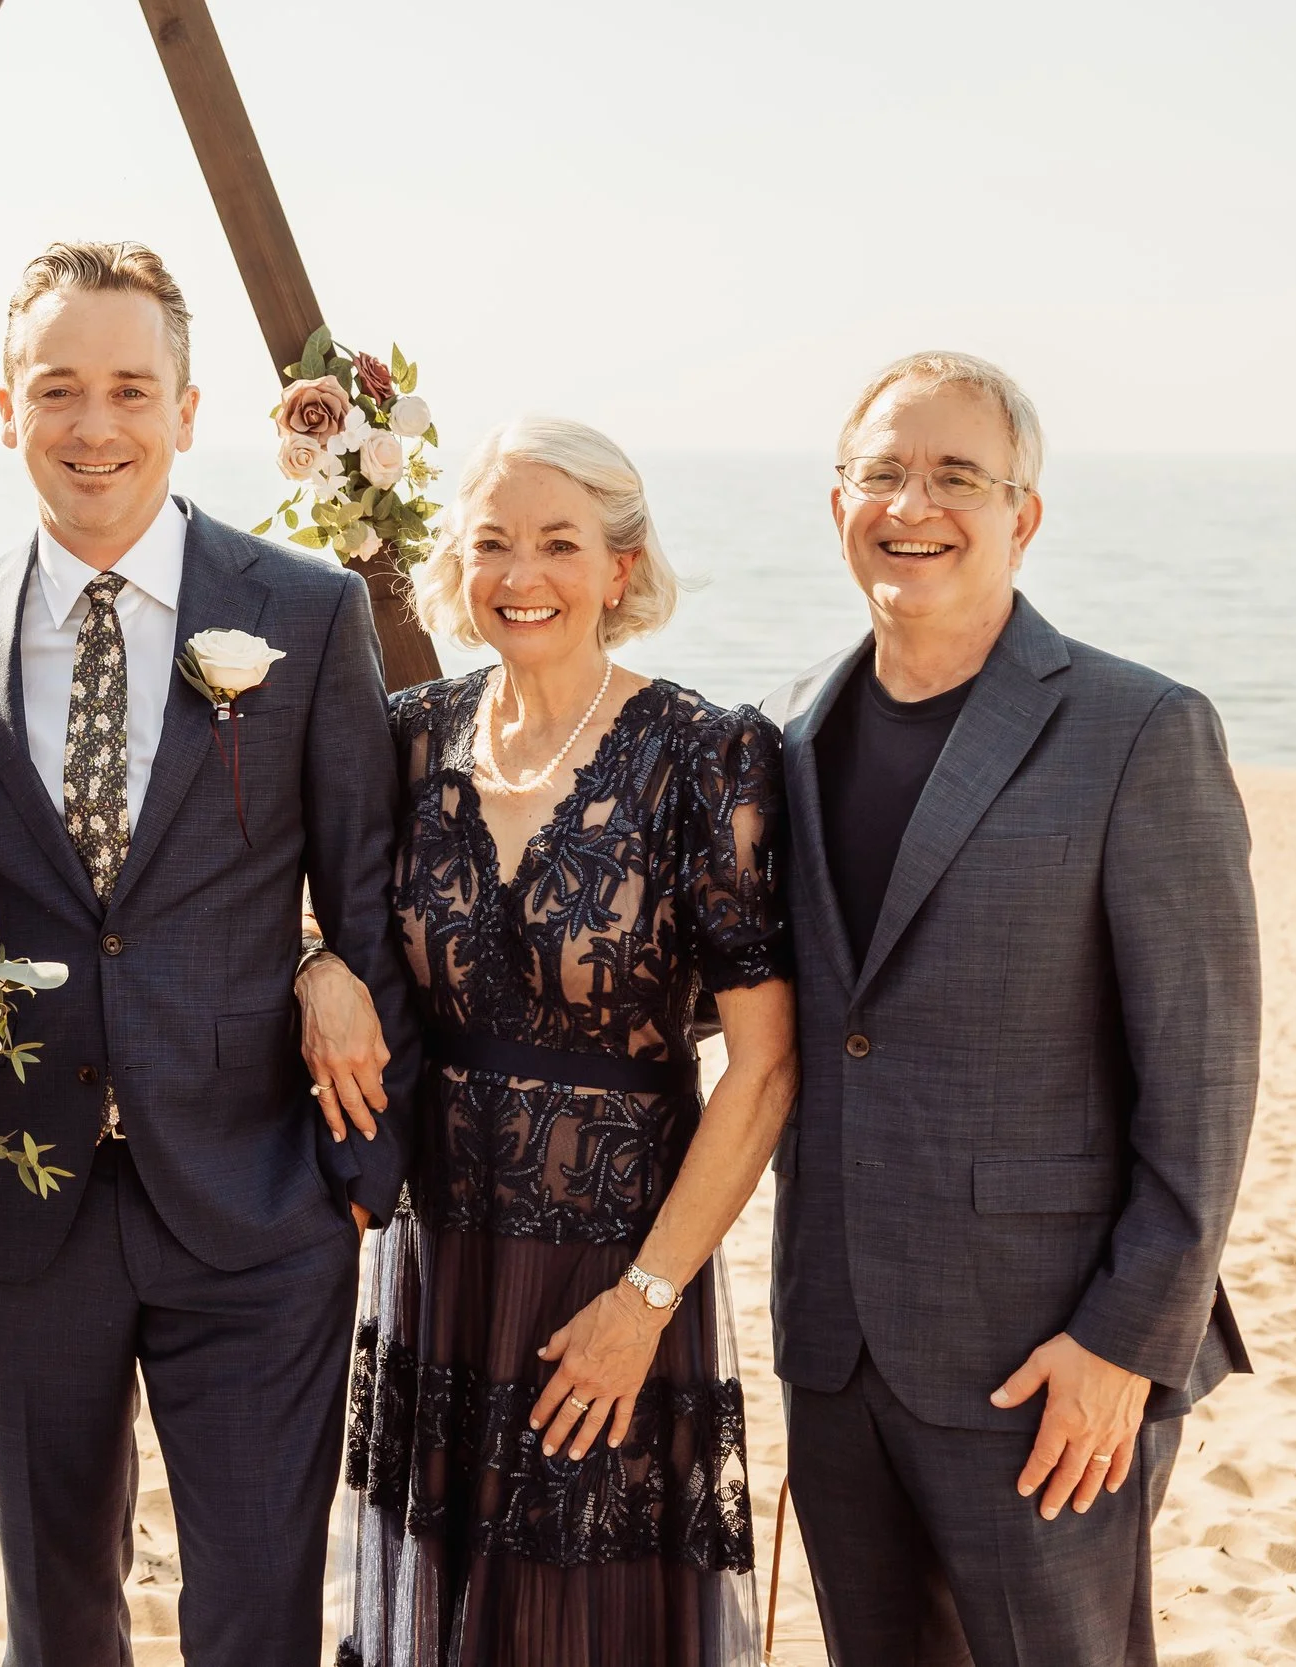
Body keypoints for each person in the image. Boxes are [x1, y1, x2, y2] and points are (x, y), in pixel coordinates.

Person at [0, 240, 420, 1665]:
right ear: (6, 409)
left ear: (189, 409)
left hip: (259, 1199)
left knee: (255, 1608)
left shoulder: (308, 615)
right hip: (22, 1199)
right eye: (57, 388)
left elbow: (364, 900)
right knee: (59, 1609)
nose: (95, 424)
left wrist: (363, 1176)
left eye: (131, 387)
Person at [760, 351, 1261, 1666]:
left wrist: (1124, 1342)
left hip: (1048, 1357)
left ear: (1022, 514)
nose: (912, 503)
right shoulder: (784, 738)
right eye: (883, 472)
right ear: (836, 504)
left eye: (956, 476)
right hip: (838, 1347)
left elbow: (1202, 1083)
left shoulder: (1137, 730)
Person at [333, 417, 798, 1667]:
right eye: (491, 543)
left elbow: (762, 1065)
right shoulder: (408, 736)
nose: (520, 575)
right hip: (440, 1265)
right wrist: (316, 962)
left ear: (620, 567)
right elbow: (316, 911)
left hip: (614, 1271)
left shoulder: (703, 754)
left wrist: (643, 1304)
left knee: (583, 1628)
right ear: (454, 565)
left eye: (557, 543)